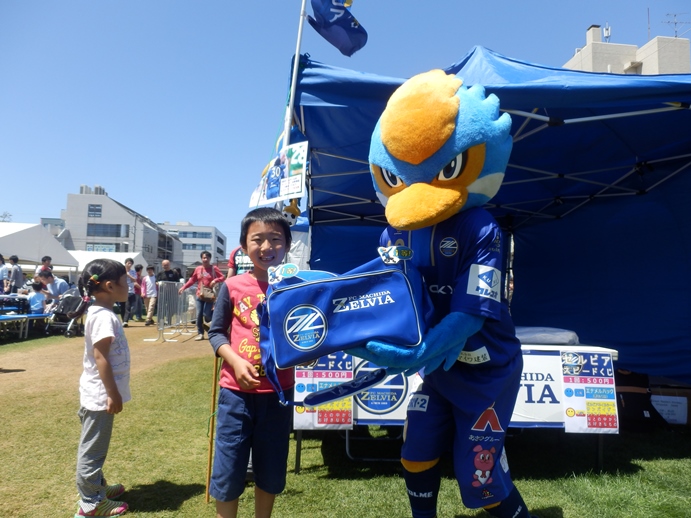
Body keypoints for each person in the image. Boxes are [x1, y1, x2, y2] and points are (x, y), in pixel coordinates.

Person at [208, 207, 294, 518]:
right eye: (257, 239)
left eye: (276, 238)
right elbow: (216, 333)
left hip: (279, 395)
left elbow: (308, 335)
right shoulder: (232, 286)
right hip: (235, 395)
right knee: (228, 468)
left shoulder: (296, 287)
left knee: (271, 468)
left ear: (287, 244)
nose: (267, 246)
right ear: (244, 246)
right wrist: (234, 360)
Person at [69, 258, 130, 518]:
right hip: (100, 396)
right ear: (109, 286)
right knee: (92, 451)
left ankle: (99, 488)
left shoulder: (102, 313)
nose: (129, 286)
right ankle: (91, 503)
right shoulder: (103, 317)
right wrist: (112, 394)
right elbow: (100, 357)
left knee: (96, 447)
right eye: (125, 281)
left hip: (97, 394)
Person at [178, 251, 223, 341]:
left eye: (207, 258)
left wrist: (215, 280)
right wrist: (183, 287)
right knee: (199, 314)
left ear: (210, 259)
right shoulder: (198, 269)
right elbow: (192, 280)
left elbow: (222, 277)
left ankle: (213, 321)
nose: (205, 259)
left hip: (209, 295)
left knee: (206, 315)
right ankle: (200, 333)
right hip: (199, 294)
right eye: (203, 258)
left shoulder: (214, 268)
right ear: (201, 259)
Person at [121, 258, 138, 327]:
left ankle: (125, 321)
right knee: (122, 307)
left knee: (127, 306)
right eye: (128, 263)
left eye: (131, 263)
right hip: (121, 291)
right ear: (125, 263)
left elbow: (134, 280)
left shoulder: (133, 272)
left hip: (130, 291)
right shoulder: (121, 271)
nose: (129, 264)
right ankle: (123, 320)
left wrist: (128, 275)